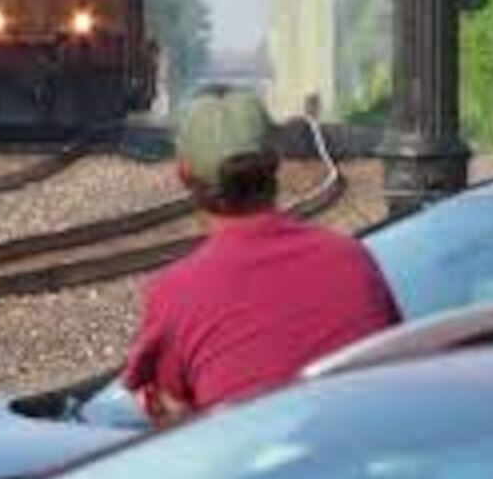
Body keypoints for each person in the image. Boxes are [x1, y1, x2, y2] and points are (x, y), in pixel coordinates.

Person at [122, 85, 401, 427]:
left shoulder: (175, 292)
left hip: (260, 474)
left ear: (184, 173)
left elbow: (169, 417)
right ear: (276, 165)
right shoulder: (354, 260)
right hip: (359, 469)